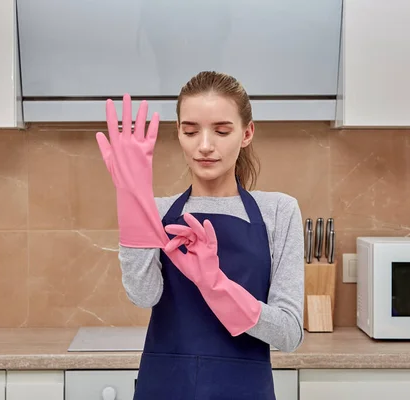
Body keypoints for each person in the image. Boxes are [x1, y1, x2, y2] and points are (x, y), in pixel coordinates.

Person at [96, 71, 304, 400]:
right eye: (190, 131)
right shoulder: (159, 211)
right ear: (178, 133)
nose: (204, 146)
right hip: (163, 389)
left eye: (221, 131)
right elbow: (143, 295)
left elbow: (289, 334)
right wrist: (131, 198)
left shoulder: (278, 211)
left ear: (247, 133)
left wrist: (217, 286)